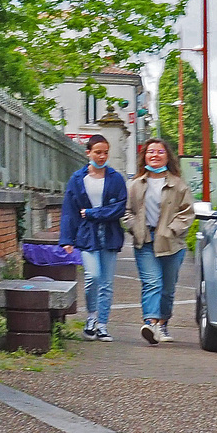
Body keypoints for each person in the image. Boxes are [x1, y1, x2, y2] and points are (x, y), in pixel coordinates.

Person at [123, 138, 196, 345]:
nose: (155, 155)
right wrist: (134, 228)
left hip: (171, 243)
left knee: (167, 287)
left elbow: (187, 213)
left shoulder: (178, 185)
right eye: (150, 152)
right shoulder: (136, 185)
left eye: (160, 151)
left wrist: (172, 231)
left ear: (167, 156)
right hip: (145, 240)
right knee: (151, 283)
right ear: (144, 156)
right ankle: (151, 323)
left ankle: (163, 323)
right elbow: (127, 212)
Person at [59, 135, 126, 341]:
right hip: (87, 236)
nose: (102, 156)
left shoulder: (116, 178)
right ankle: (91, 316)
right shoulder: (78, 179)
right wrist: (67, 239)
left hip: (110, 235)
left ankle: (103, 324)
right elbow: (69, 210)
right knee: (93, 277)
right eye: (98, 152)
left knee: (106, 283)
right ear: (88, 152)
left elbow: (119, 209)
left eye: (105, 152)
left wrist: (91, 213)